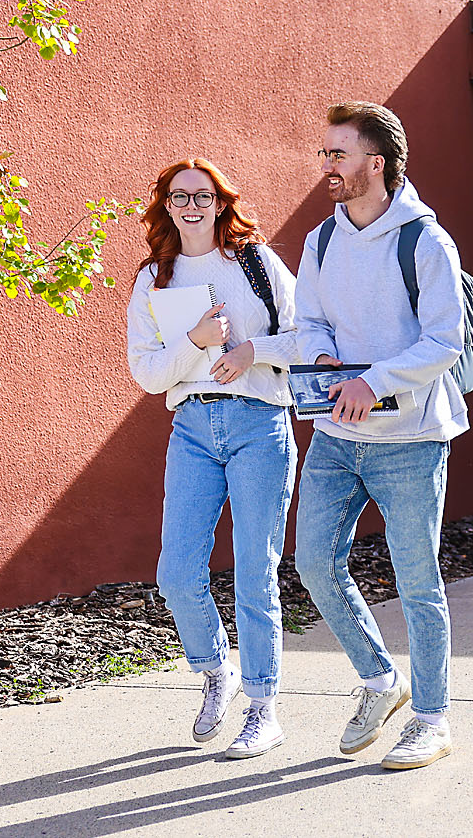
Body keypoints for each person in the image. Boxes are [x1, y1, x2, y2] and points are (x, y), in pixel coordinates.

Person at [293, 101, 468, 770]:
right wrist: (326, 355)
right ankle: (379, 679)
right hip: (336, 435)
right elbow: (308, 318)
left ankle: (431, 717)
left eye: (337, 154)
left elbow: (444, 341)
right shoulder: (321, 240)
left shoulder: (424, 240)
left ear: (376, 162)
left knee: (418, 581)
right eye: (325, 153)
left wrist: (377, 380)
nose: (326, 166)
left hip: (412, 437)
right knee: (313, 561)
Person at [126, 158, 301, 759]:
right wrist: (194, 343)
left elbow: (309, 339)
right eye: (180, 197)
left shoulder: (255, 262)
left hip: (258, 422)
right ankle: (215, 669)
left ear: (222, 202)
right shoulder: (154, 278)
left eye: (203, 195)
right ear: (166, 205)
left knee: (256, 571)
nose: (191, 206)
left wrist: (249, 351)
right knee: (176, 572)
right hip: (194, 426)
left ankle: (262, 708)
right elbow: (148, 374)